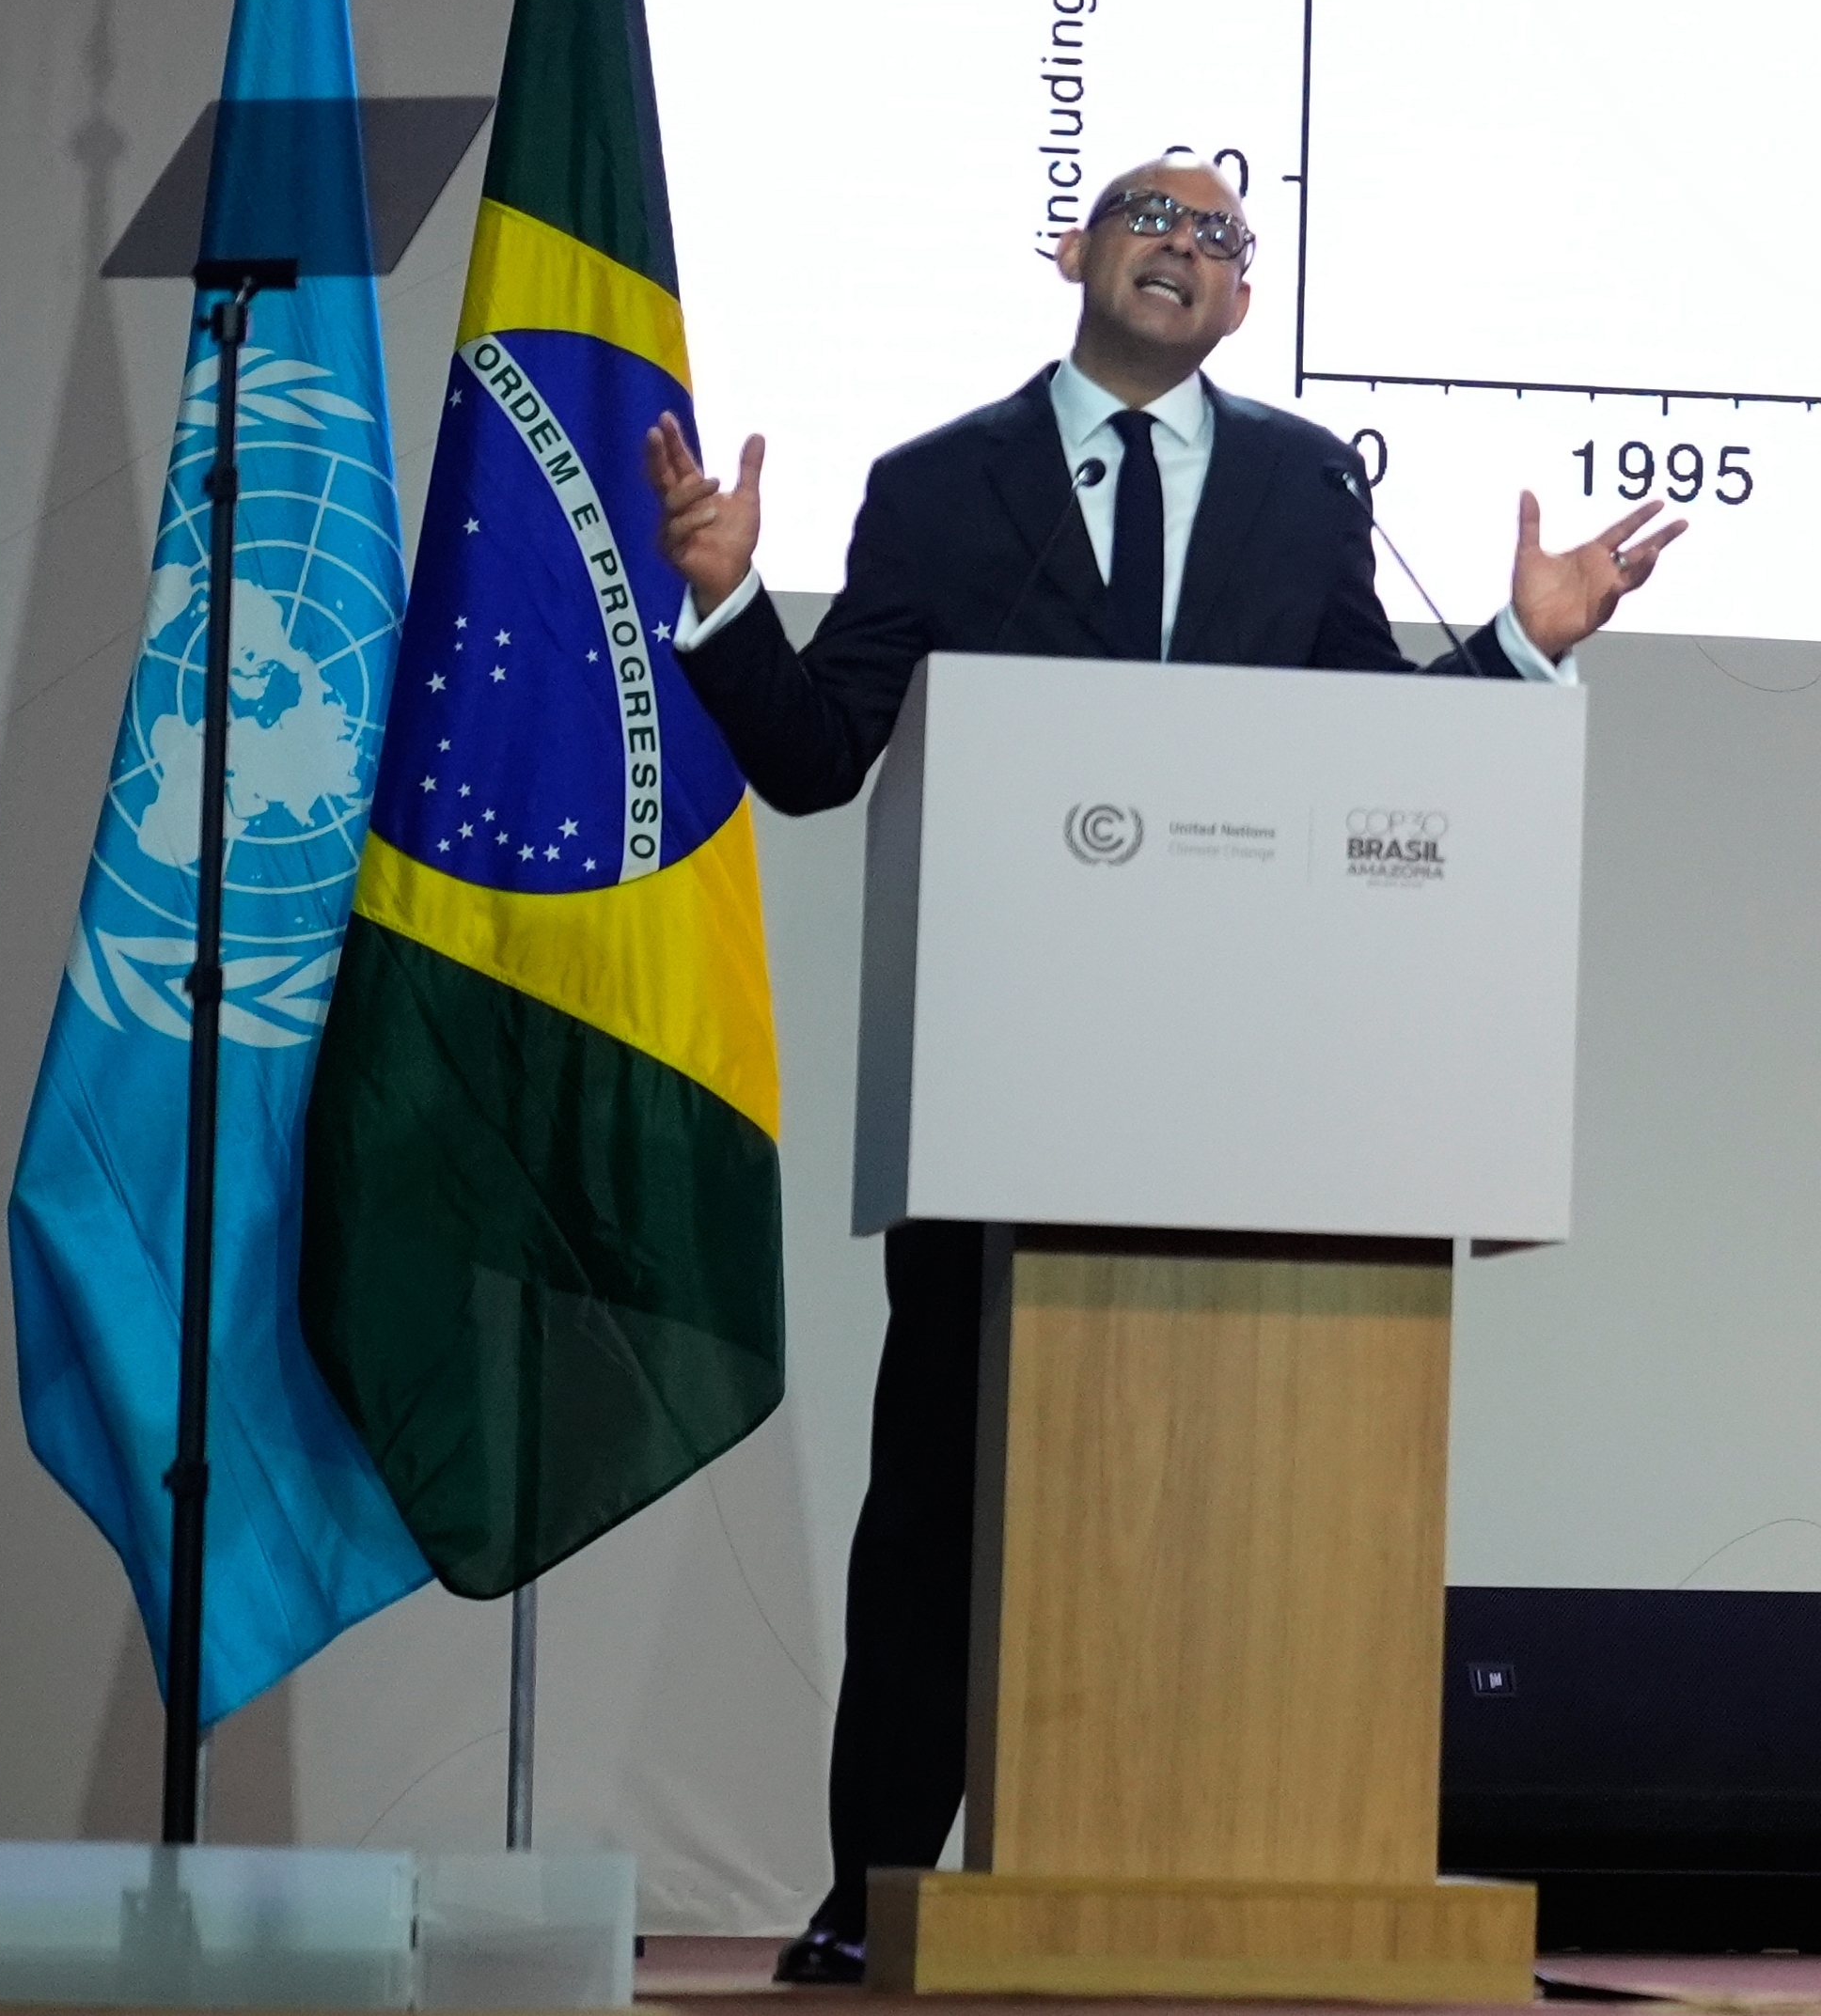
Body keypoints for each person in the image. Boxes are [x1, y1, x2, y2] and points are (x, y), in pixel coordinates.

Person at [642, 158, 1679, 1983]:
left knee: (1229, 1502)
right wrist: (728, 608)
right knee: (939, 1509)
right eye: (1149, 214)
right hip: (1000, 1085)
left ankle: (1217, 1867)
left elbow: (1371, 748)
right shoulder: (936, 484)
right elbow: (814, 760)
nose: (1182, 246)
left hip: (1249, 1097)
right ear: (1074, 248)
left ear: (1245, 296)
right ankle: (872, 1886)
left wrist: (1520, 648)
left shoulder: (1303, 485)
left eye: (1219, 234)